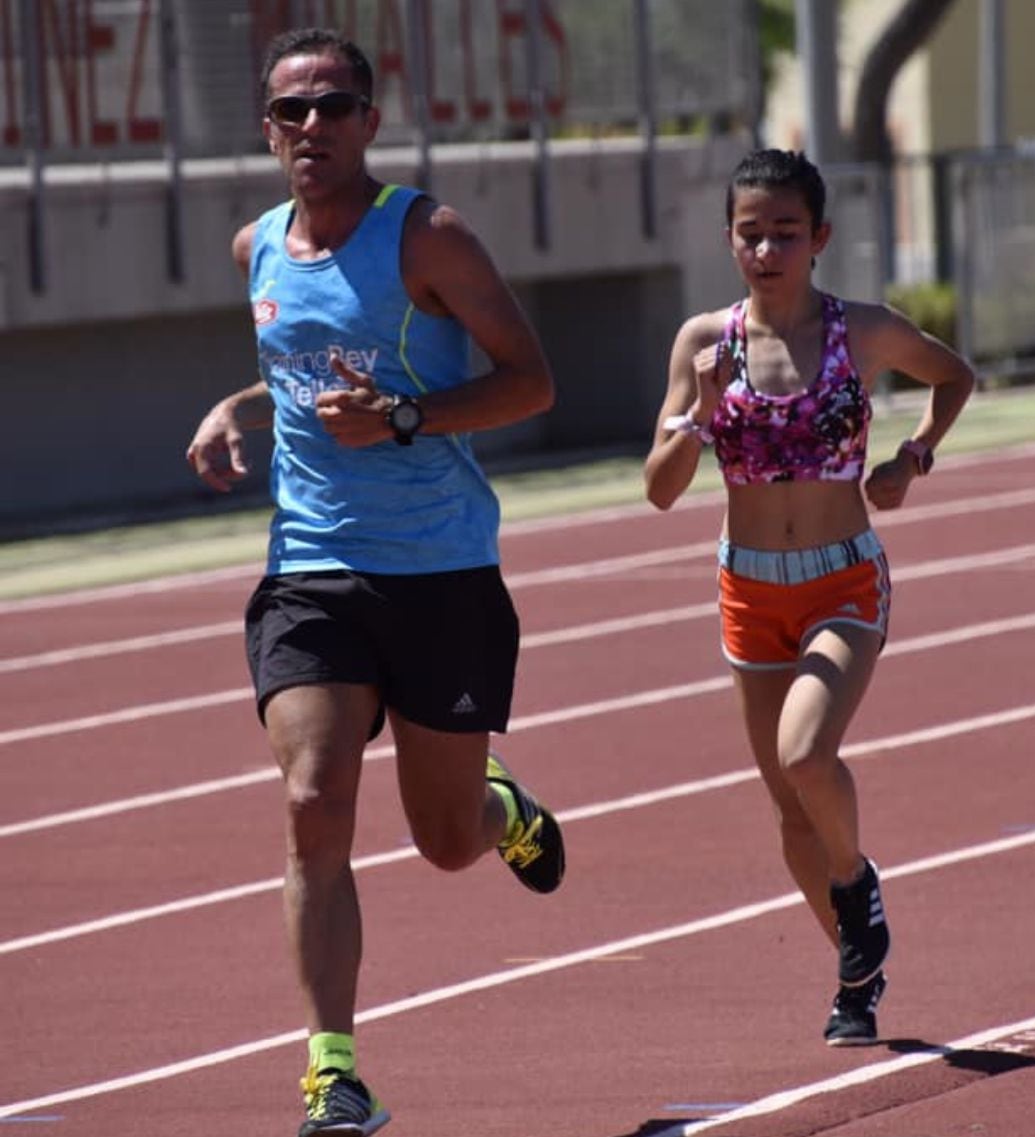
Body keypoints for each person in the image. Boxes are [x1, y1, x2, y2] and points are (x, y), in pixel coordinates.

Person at [185, 27, 564, 1136]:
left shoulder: (428, 238)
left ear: (369, 121)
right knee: (312, 802)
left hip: (442, 570)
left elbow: (532, 383)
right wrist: (235, 408)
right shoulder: (255, 245)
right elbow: (300, 374)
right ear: (266, 127)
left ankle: (496, 805)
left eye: (333, 107)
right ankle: (333, 1072)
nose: (312, 127)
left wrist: (406, 417)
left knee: (444, 842)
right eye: (291, 110)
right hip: (311, 570)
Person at [644, 149, 974, 1047]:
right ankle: (856, 973)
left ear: (819, 238)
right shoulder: (702, 344)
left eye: (785, 231)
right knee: (789, 808)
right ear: (728, 239)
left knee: (805, 753)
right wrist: (700, 413)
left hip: (842, 578)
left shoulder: (860, 331)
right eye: (750, 232)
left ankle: (856, 881)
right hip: (749, 590)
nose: (766, 248)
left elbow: (955, 374)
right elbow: (661, 488)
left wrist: (911, 459)